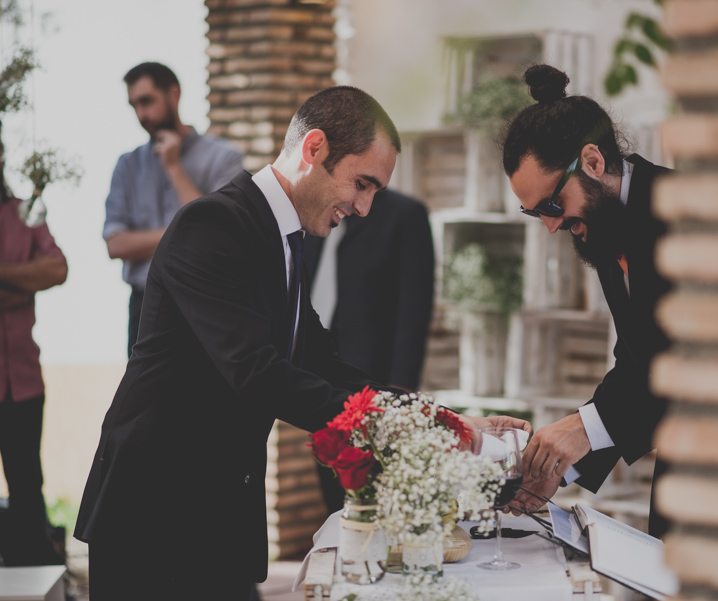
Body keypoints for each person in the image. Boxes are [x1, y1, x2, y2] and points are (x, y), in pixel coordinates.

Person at [75, 85, 525, 601]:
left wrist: (442, 420)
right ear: (314, 149)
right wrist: (410, 432)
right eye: (362, 184)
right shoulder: (213, 224)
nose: (364, 208)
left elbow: (324, 365)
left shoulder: (283, 239)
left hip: (218, 515)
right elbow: (257, 373)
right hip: (155, 516)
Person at [504, 65, 670, 537]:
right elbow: (638, 358)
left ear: (593, 162)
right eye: (534, 213)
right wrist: (563, 463)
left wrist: (583, 427)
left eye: (553, 206)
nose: (551, 226)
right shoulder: (608, 224)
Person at [304, 188, 435, 513]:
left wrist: (401, 389)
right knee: (332, 481)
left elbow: (414, 307)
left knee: (374, 487)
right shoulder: (316, 212)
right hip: (316, 371)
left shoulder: (405, 214)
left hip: (373, 375)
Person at [103, 62, 243, 355]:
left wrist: (173, 166)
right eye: (134, 106)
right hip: (145, 307)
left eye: (147, 101)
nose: (141, 115)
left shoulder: (224, 158)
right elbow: (115, 244)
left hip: (207, 303)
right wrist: (183, 235)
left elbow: (215, 236)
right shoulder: (127, 165)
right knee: (146, 400)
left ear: (174, 94)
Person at [0, 188, 68, 566]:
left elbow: (56, 268)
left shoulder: (25, 212)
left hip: (24, 377)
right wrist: (22, 286)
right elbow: (39, 274)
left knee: (27, 484)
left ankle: (31, 578)